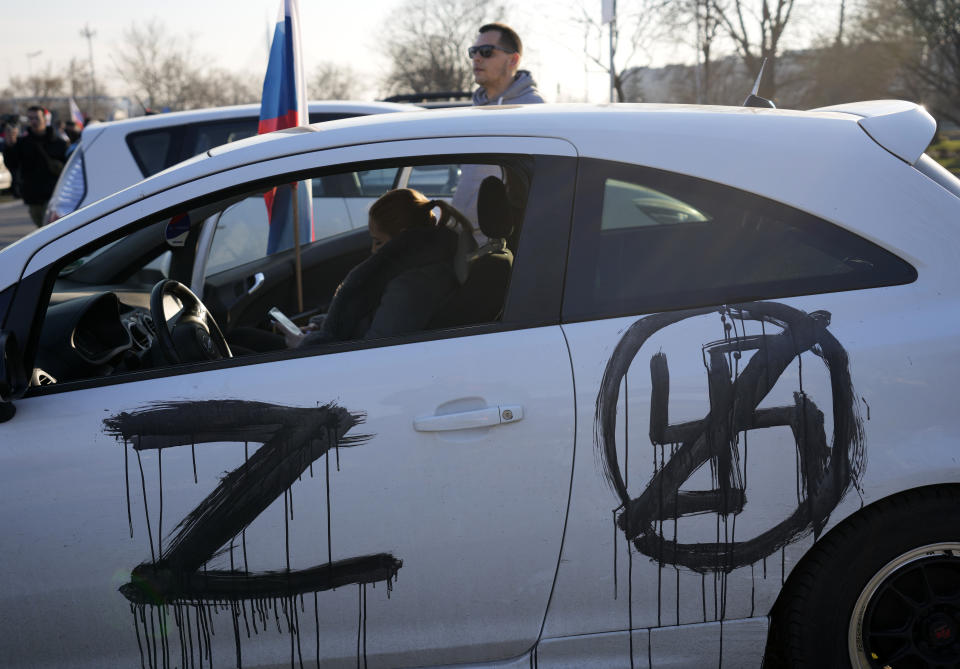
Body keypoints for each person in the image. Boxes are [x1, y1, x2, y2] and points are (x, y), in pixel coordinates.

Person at [230, 188, 465, 353]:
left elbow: (371, 352)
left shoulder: (412, 286)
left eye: (379, 242)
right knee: (238, 337)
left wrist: (305, 346)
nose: (374, 251)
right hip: (330, 348)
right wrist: (321, 326)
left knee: (235, 350)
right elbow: (369, 315)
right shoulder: (409, 270)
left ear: (402, 239)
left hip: (334, 365)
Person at [454, 22, 544, 229]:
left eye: (486, 52)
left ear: (513, 60)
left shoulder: (533, 111)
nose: (477, 58)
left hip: (500, 246)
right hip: (465, 238)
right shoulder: (475, 109)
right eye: (473, 52)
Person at [2, 106, 68, 227]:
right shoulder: (22, 142)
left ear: (45, 119)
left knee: (52, 230)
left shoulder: (59, 143)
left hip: (54, 196)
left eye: (36, 118)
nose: (33, 121)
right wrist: (9, 146)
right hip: (33, 196)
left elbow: (68, 169)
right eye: (30, 118)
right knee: (42, 229)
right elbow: (12, 164)